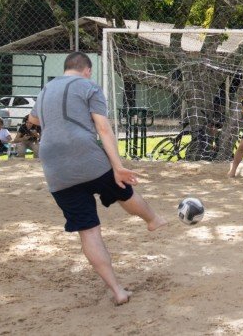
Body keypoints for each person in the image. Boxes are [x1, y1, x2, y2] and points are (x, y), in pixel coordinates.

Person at [28, 52, 167, 306]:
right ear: (87, 70)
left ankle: (117, 291)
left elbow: (33, 120)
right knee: (122, 187)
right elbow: (103, 128)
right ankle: (153, 219)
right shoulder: (89, 86)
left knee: (88, 230)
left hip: (53, 165)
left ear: (66, 68)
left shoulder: (45, 89)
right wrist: (118, 166)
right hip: (85, 155)